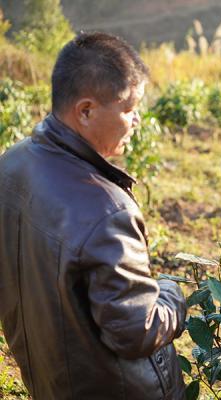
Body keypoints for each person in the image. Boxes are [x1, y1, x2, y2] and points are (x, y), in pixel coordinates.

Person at [0, 32, 187, 399]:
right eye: (129, 109)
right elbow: (137, 330)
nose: (136, 121)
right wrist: (171, 294)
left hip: (51, 378)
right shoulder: (105, 210)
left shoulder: (12, 163)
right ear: (85, 111)